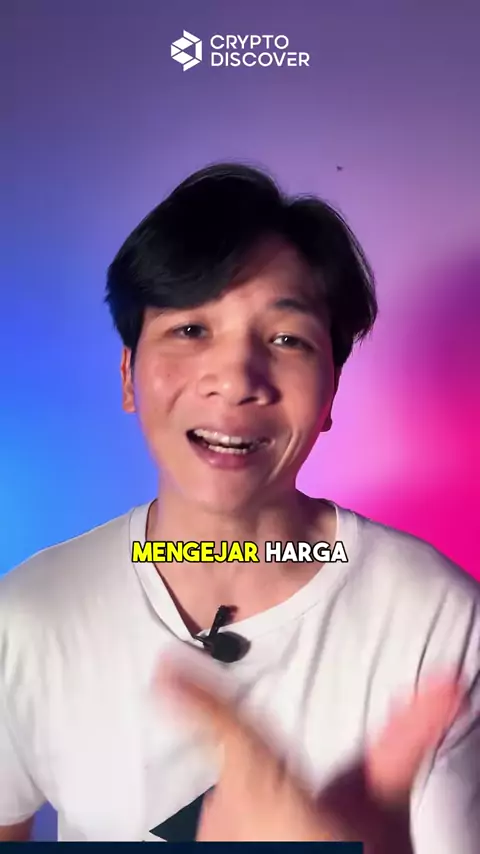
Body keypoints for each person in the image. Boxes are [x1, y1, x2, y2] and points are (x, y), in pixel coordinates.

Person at [0, 163, 478, 848]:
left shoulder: (442, 625)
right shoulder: (27, 616)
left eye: (287, 339)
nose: (234, 380)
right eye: (191, 330)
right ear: (129, 375)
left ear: (332, 391)